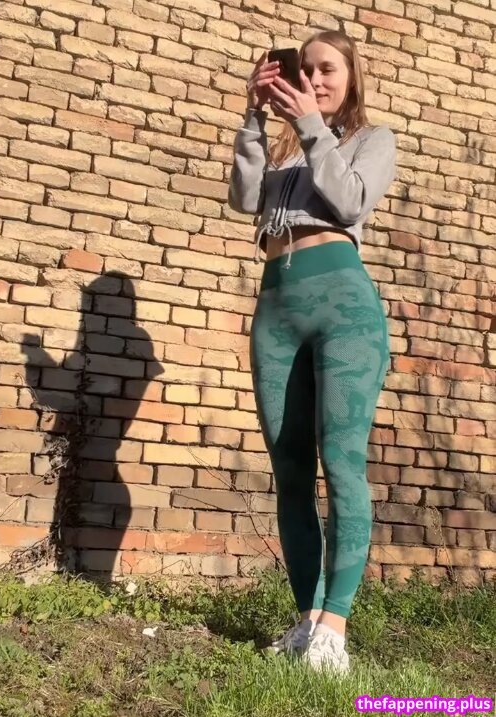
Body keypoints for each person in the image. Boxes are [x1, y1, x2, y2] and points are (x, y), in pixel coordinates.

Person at [228, 30, 396, 674]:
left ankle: (334, 628)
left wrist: (309, 126)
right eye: (306, 69)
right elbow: (245, 199)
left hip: (343, 310)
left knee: (342, 462)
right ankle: (306, 621)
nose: (316, 79)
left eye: (328, 69)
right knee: (290, 469)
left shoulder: (371, 140)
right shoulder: (283, 152)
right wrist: (253, 117)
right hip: (276, 309)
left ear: (351, 78)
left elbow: (350, 200)